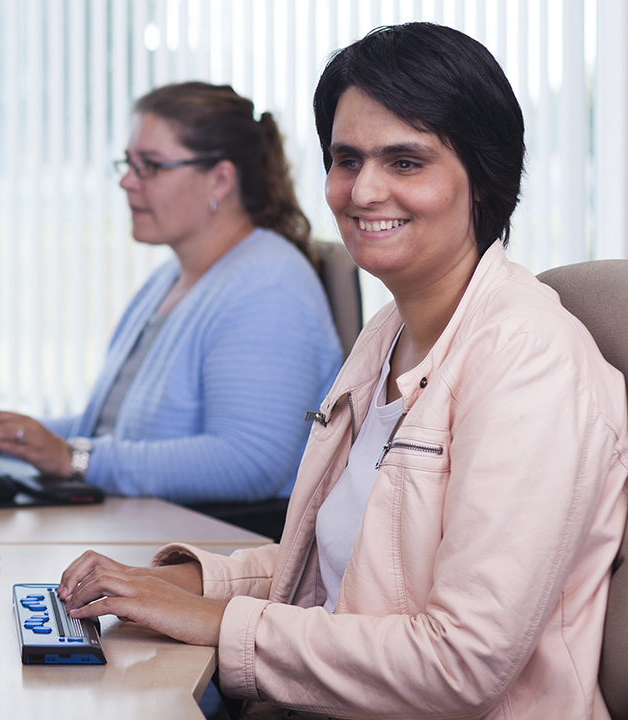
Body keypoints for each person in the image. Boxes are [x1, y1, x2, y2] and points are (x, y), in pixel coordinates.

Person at [57, 23, 628, 718]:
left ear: (481, 176)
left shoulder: (530, 364)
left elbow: (460, 663)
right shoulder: (390, 333)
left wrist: (213, 622)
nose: (363, 191)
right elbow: (344, 576)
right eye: (347, 159)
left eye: (406, 162)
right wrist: (188, 581)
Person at [0, 82, 342, 509]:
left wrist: (75, 460)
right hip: (140, 525)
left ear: (220, 179)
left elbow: (249, 462)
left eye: (150, 165)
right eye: (127, 163)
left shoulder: (269, 285)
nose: (128, 181)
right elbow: (116, 428)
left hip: (206, 549)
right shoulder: (173, 277)